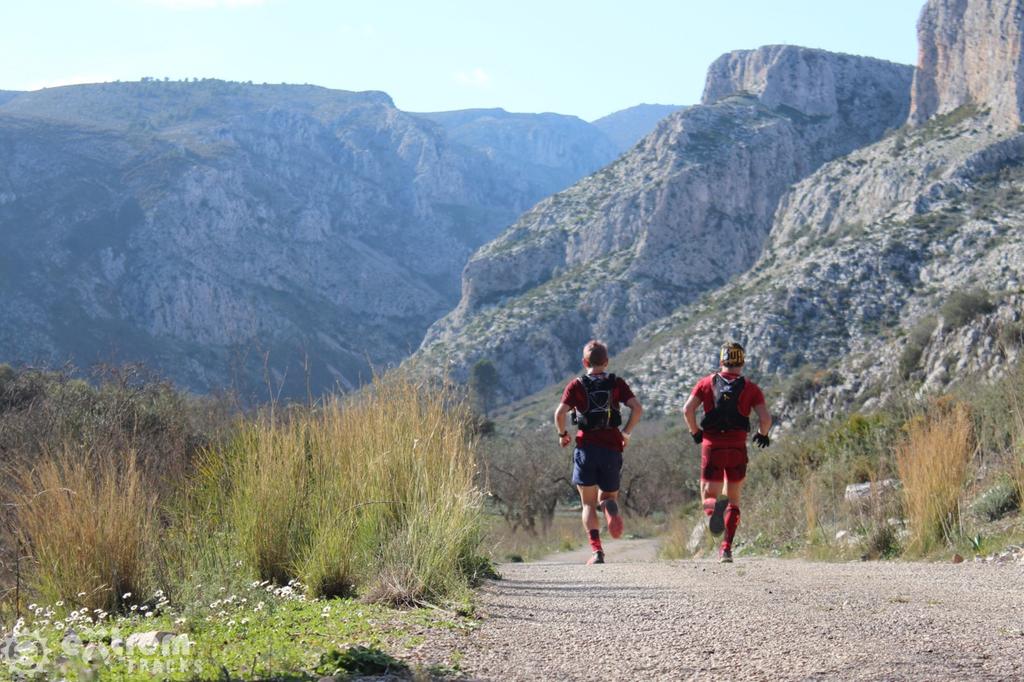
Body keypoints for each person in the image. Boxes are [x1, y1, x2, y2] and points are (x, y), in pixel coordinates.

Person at [555, 340, 643, 564]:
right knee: (608, 496)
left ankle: (597, 551)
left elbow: (560, 413)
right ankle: (610, 509)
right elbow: (637, 408)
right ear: (606, 361)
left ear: (584, 362)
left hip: (586, 448)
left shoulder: (576, 385)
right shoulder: (616, 383)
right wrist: (625, 434)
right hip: (612, 447)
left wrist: (563, 434)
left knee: (587, 503)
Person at [683, 342, 771, 563]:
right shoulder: (751, 388)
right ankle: (726, 549)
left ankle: (714, 515)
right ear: (741, 362)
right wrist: (762, 434)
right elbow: (765, 418)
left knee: (708, 494)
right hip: (737, 447)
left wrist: (695, 432)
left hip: (712, 445)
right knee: (734, 499)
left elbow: (687, 409)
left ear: (721, 361)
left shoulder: (705, 383)